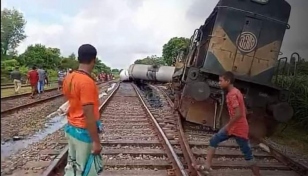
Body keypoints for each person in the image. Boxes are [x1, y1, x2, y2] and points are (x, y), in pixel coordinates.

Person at [193, 71, 260, 176]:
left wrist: (228, 125)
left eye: (221, 81)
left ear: (228, 81)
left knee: (248, 155)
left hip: (238, 129)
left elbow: (238, 114)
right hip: (236, 127)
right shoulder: (237, 92)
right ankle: (207, 166)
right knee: (214, 140)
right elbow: (245, 111)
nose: (219, 83)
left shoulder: (232, 95)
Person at [62, 44, 102, 176]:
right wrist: (96, 142)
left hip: (71, 128)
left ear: (79, 58)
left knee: (74, 166)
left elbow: (72, 101)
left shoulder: (69, 77)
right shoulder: (86, 82)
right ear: (94, 59)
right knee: (84, 169)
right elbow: (88, 114)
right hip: (83, 132)